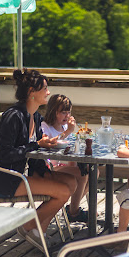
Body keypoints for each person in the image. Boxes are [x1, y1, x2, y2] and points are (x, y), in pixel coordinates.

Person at [0, 68, 77, 252]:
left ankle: (37, 232)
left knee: (71, 182)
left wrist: (45, 171)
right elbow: (3, 154)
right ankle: (28, 226)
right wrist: (36, 145)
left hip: (21, 175)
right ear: (31, 92)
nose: (48, 92)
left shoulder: (36, 117)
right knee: (63, 192)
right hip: (3, 178)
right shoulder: (14, 116)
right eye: (45, 88)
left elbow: (35, 154)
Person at [41, 94, 89, 222]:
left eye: (69, 112)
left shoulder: (65, 126)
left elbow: (70, 149)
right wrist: (67, 133)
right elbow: (48, 143)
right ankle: (74, 212)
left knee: (93, 172)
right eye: (63, 112)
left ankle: (72, 207)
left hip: (62, 166)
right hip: (49, 168)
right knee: (83, 174)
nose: (67, 116)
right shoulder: (45, 126)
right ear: (53, 112)